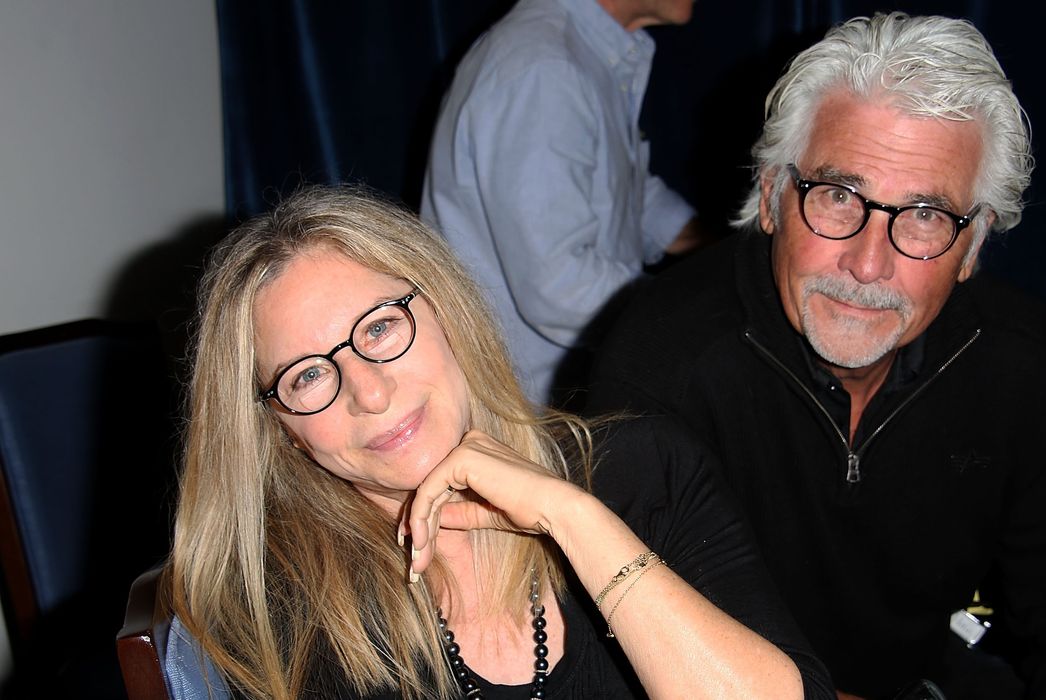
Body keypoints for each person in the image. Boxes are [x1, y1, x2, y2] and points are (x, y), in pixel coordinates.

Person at [587, 12, 1046, 699]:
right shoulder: (662, 360)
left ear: (973, 246)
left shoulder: (1027, 368)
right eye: (838, 196)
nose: (868, 264)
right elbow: (624, 654)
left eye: (926, 215)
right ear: (770, 197)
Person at [162, 186, 832, 699]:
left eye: (378, 328)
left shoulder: (642, 470)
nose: (369, 392)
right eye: (308, 376)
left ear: (447, 311)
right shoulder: (288, 614)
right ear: (282, 432)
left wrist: (572, 518)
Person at [420, 0, 709, 406]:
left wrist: (725, 250)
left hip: (552, 399)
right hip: (533, 414)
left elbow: (629, 193)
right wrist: (703, 314)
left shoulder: (575, 52)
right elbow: (558, 284)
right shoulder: (544, 66)